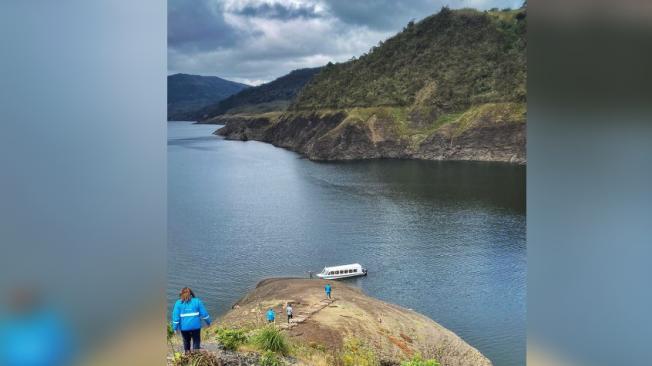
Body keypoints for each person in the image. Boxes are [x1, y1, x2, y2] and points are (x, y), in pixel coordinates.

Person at [171, 287, 211, 353]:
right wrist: (208, 323)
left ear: (181, 294)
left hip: (184, 328)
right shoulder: (197, 301)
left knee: (186, 341)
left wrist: (175, 328)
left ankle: (187, 354)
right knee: (196, 341)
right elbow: (204, 314)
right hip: (196, 327)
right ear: (191, 293)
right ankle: (196, 355)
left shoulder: (178, 303)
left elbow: (176, 318)